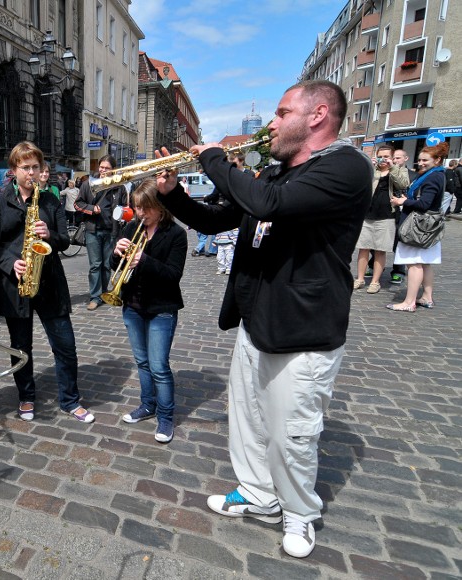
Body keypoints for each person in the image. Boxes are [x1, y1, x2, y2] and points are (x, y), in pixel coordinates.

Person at [154, 79, 372, 558]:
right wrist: (172, 194)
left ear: (317, 115)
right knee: (249, 420)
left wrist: (213, 158)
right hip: (257, 318)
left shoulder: (345, 167)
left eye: (281, 112)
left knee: (292, 432)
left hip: (304, 328)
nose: (271, 123)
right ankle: (258, 493)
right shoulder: (276, 172)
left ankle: (299, 514)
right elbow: (216, 220)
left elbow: (268, 206)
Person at [0, 141, 95, 424]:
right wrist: (11, 263)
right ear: (14, 170)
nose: (31, 172)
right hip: (16, 285)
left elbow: (65, 240)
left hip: (50, 283)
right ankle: (26, 396)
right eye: (25, 167)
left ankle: (70, 399)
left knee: (65, 346)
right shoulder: (1, 201)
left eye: (35, 167)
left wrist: (49, 235)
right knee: (21, 348)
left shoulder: (50, 200)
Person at [113, 179, 187, 443]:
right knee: (142, 362)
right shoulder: (131, 227)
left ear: (160, 207)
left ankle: (166, 417)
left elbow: (172, 275)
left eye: (146, 208)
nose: (140, 213)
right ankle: (147, 405)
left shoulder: (175, 234)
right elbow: (116, 267)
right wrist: (116, 253)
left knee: (158, 366)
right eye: (137, 207)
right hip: (133, 305)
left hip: (161, 308)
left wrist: (143, 260)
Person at [387, 142, 448, 311]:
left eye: (425, 160)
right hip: (427, 227)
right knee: (425, 263)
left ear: (437, 160)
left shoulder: (433, 176)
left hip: (418, 228)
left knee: (414, 264)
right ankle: (426, 297)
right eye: (419, 160)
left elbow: (424, 203)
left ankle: (409, 302)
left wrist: (403, 201)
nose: (420, 163)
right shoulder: (436, 174)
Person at [353, 144, 409, 294]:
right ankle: (359, 279)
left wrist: (392, 168)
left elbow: (403, 183)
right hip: (367, 215)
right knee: (363, 248)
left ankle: (375, 282)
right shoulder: (373, 170)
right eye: (380, 156)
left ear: (391, 158)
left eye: (386, 156)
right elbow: (358, 184)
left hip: (386, 215)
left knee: (380, 250)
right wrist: (368, 167)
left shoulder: (398, 170)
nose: (383, 159)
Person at [75, 155, 125, 311]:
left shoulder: (119, 186)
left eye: (107, 168)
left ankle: (104, 293)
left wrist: (124, 216)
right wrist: (91, 209)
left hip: (111, 231)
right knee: (95, 265)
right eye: (101, 167)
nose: (103, 170)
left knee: (106, 265)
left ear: (113, 170)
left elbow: (125, 207)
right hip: (93, 230)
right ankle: (95, 296)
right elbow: (78, 203)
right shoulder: (88, 184)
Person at [390, 149, 418, 284]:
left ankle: (398, 270)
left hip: (403, 211)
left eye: (398, 158)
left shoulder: (413, 175)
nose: (395, 160)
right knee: (378, 241)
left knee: (399, 241)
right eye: (394, 158)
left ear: (406, 158)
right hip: (387, 210)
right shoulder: (386, 171)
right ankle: (373, 264)